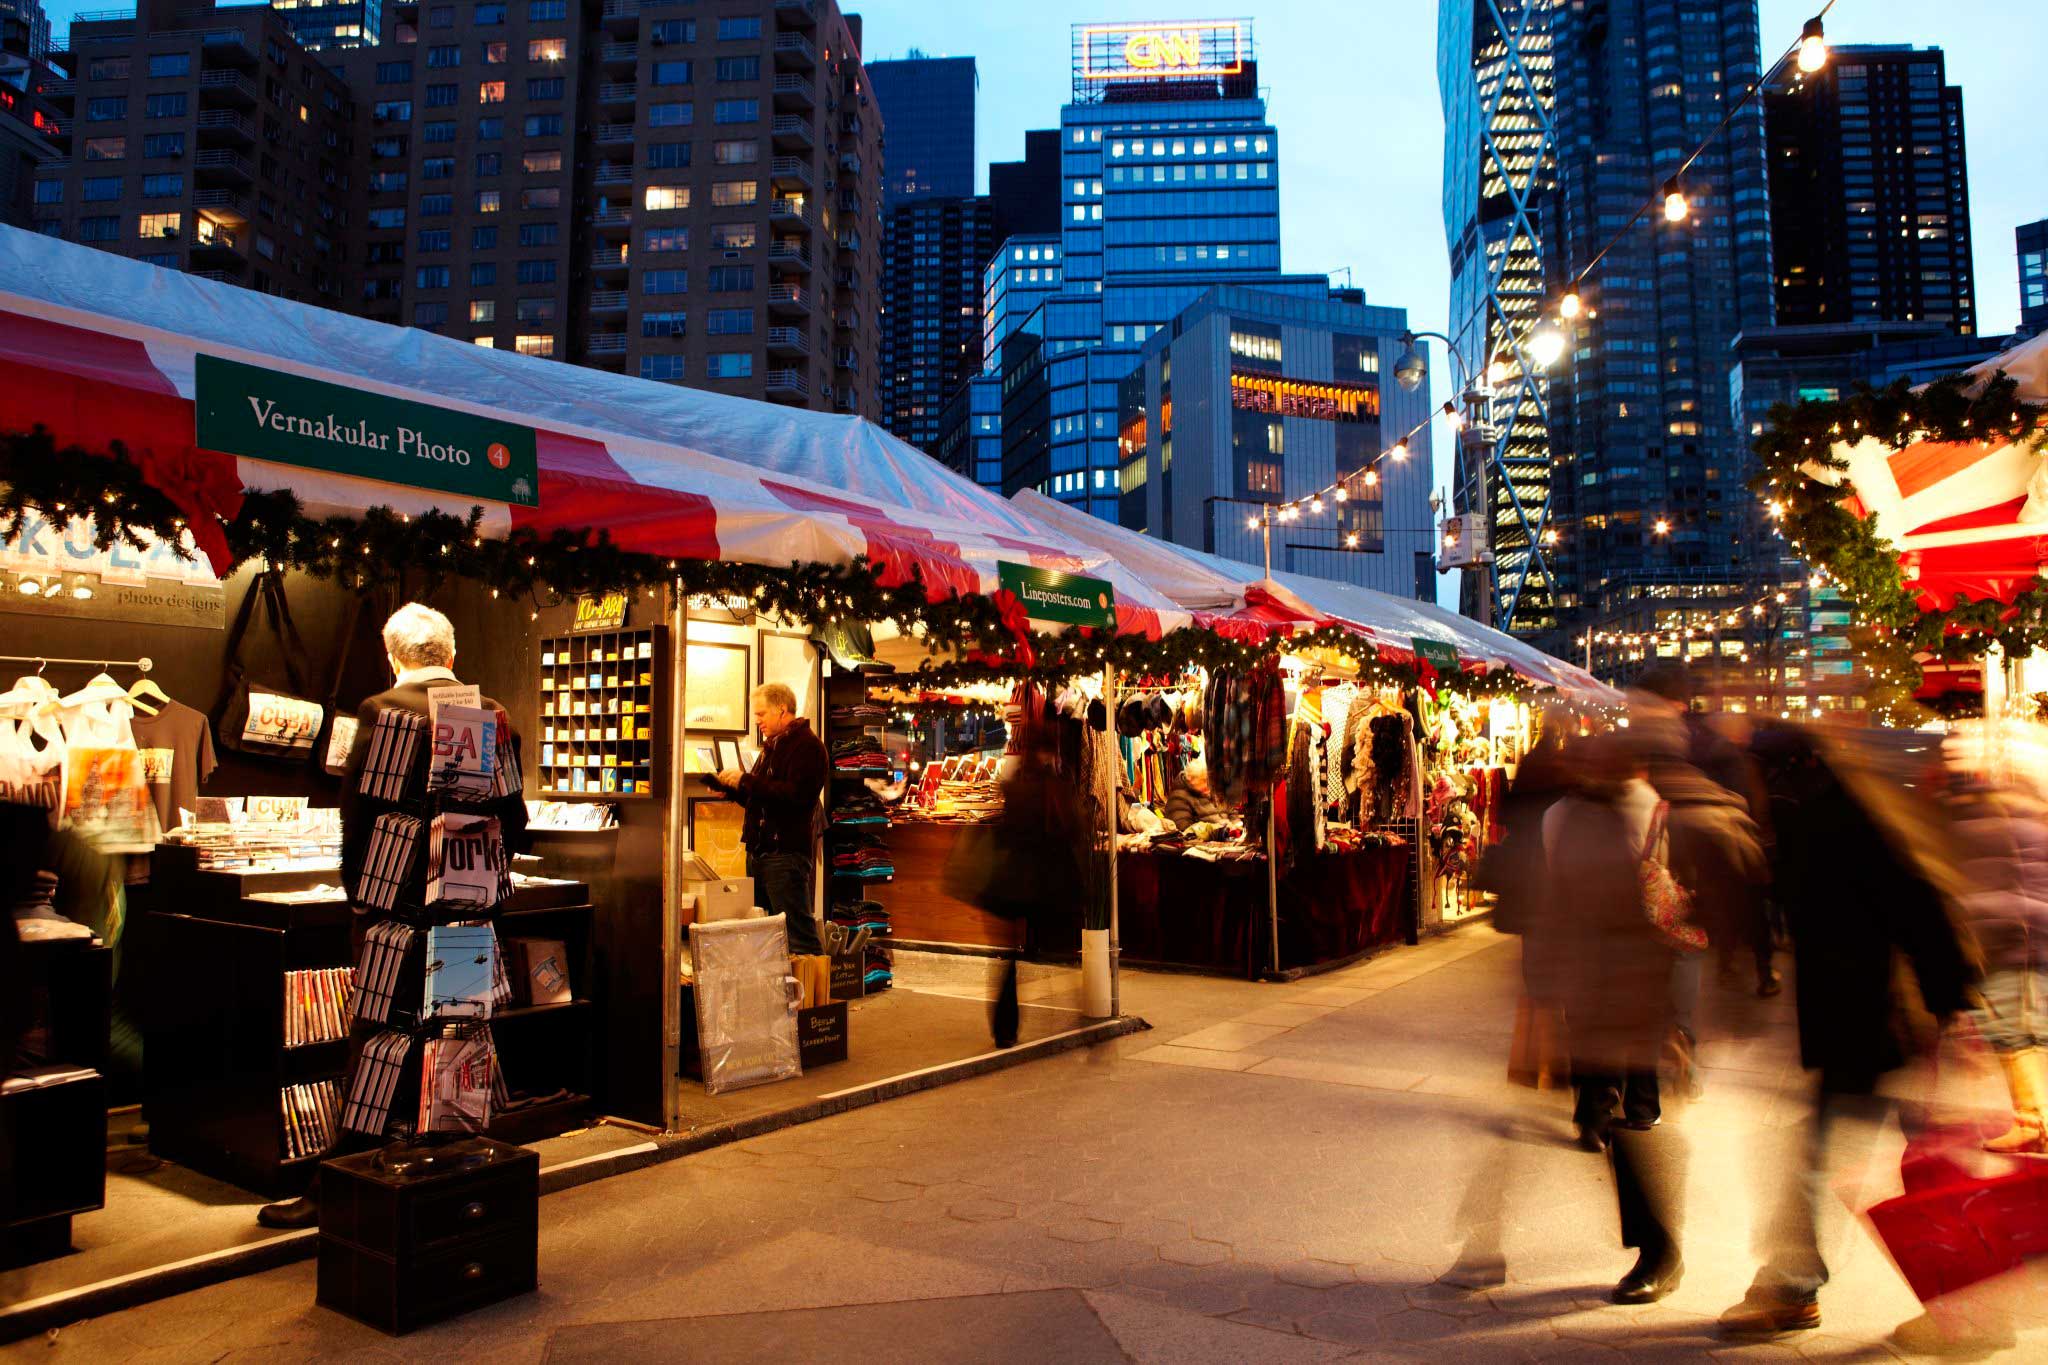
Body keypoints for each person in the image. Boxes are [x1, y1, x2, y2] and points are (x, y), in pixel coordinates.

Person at [261, 601, 529, 1231]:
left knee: (377, 1034)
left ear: (393, 656)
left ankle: (340, 1184)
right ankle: (450, 1165)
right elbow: (514, 818)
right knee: (454, 1034)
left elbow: (360, 816)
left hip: (394, 912)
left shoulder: (381, 711)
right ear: (452, 655)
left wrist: (362, 892)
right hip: (465, 910)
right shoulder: (490, 714)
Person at [1718, 727, 1976, 1339]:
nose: (1753, 785)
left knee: (1830, 1161)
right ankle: (1801, 1285)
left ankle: (1794, 1286)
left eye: (1759, 773)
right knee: (1905, 1162)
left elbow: (1916, 908)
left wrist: (1948, 1007)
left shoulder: (1841, 825)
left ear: (1787, 771)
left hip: (1871, 1021)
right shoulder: (1818, 820)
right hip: (1856, 1019)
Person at [1530, 731, 1687, 1305]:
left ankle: (1660, 1249)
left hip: (1635, 973)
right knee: (1618, 1086)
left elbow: (1663, 893)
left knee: (1637, 1110)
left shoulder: (1637, 807)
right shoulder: (1573, 814)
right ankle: (1614, 1121)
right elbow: (1557, 895)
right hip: (1596, 972)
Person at [1632, 664, 1779, 994]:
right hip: (1682, 868)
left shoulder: (1671, 747)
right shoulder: (1696, 747)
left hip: (1676, 869)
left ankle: (1747, 968)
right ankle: (1751, 968)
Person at [1943, 758, 2048, 1155]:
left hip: (2009, 947)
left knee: (2012, 1037)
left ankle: (2034, 1123)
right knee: (2028, 1033)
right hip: (2031, 943)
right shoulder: (2036, 824)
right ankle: (2034, 1119)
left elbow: (1995, 893)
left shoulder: (1998, 828)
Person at [707, 682, 826, 957]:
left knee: (799, 937)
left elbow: (796, 797)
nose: (756, 720)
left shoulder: (808, 747)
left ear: (781, 710)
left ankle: (813, 996)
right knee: (766, 937)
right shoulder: (772, 746)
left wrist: (746, 779)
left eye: (761, 714)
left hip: (784, 855)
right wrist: (731, 790)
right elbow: (763, 800)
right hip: (761, 853)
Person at [983, 724, 1084, 1046]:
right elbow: (1069, 830)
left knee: (1010, 957)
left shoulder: (1014, 785)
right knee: (1063, 952)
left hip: (1009, 880)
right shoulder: (1052, 786)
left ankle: (1004, 1028)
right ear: (1048, 752)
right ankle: (1079, 1018)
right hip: (1042, 880)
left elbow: (1004, 833)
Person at [1162, 759, 1227, 831]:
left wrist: (1236, 824)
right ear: (1190, 779)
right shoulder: (1178, 798)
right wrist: (1217, 830)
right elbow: (1184, 829)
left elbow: (1229, 811)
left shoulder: (1209, 793)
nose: (1208, 785)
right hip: (1204, 840)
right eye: (1203, 780)